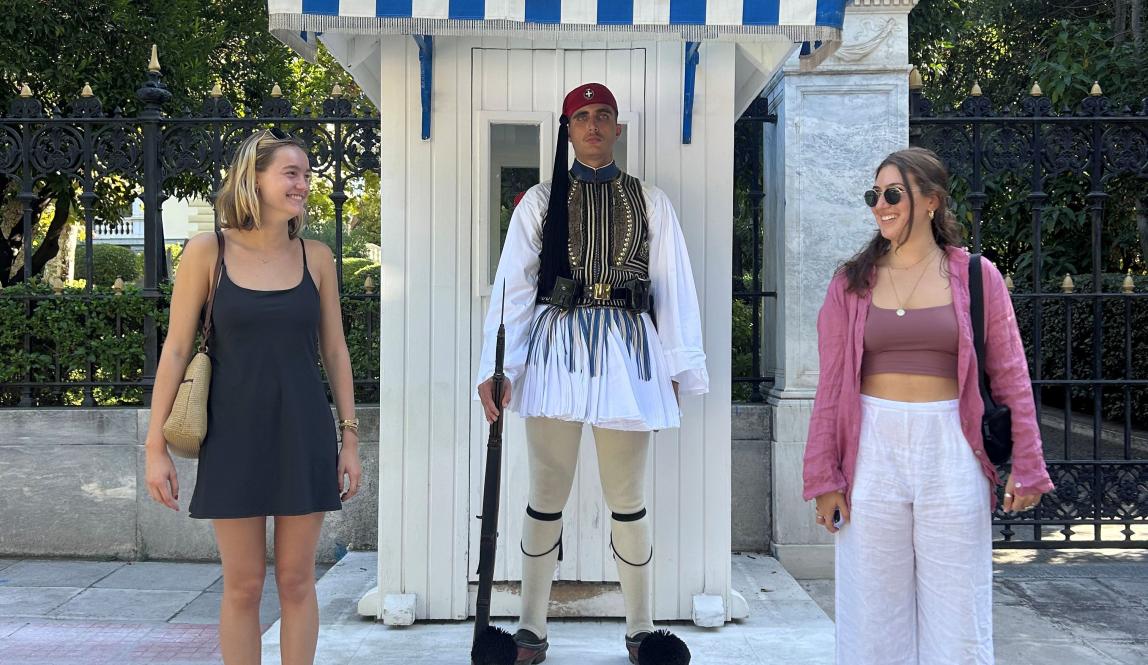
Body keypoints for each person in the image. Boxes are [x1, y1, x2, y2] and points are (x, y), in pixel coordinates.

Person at [476, 83, 707, 665]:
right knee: (545, 495)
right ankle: (529, 629)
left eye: (604, 116)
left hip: (630, 358)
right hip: (557, 355)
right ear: (569, 130)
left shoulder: (651, 201)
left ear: (618, 129)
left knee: (627, 499)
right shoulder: (538, 202)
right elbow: (515, 289)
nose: (595, 125)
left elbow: (673, 287)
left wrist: (678, 366)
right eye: (583, 117)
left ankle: (642, 631)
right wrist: (499, 367)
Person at [803, 146, 1053, 664]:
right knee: (872, 610)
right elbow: (831, 387)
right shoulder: (850, 282)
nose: (880, 205)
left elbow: (1010, 375)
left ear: (932, 201)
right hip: (872, 447)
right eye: (874, 195)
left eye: (893, 193)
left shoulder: (977, 277)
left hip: (952, 447)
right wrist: (824, 477)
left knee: (957, 608)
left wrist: (1027, 465)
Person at [145, 129, 362, 665]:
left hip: (303, 430)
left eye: (308, 175)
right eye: (292, 173)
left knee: (296, 581)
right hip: (232, 434)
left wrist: (350, 438)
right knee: (242, 585)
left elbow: (335, 351)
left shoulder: (316, 257)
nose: (304, 184)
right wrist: (155, 448)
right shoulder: (206, 252)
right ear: (254, 177)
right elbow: (174, 352)